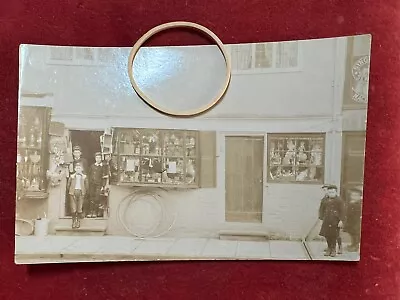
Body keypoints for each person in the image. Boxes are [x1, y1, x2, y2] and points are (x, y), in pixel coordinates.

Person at [318, 184, 345, 257]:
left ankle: (333, 249)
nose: (331, 194)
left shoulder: (339, 200)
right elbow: (321, 209)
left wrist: (341, 220)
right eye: (329, 192)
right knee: (327, 235)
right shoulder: (325, 200)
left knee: (334, 235)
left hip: (335, 221)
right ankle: (329, 248)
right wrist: (321, 217)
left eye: (333, 192)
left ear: (336, 192)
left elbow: (342, 211)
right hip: (327, 220)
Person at [67, 163, 88, 229]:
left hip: (81, 192)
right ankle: (73, 221)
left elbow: (87, 186)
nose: (78, 169)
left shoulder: (84, 177)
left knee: (79, 207)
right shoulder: (72, 176)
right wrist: (71, 190)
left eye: (79, 168)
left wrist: (84, 192)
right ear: (75, 169)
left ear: (82, 169)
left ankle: (78, 221)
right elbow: (68, 185)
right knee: (73, 207)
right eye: (77, 168)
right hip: (73, 192)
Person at [343, 187, 363, 252]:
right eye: (352, 195)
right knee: (351, 232)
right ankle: (353, 244)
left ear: (360, 196)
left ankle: (356, 246)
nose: (353, 197)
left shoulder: (360, 203)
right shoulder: (351, 202)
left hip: (356, 221)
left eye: (355, 195)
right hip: (350, 220)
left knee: (355, 233)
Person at [88, 152, 105, 217]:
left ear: (101, 158)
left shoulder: (103, 166)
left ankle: (96, 212)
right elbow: (89, 175)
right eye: (97, 158)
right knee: (91, 197)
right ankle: (91, 211)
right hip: (92, 184)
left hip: (99, 185)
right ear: (95, 158)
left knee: (97, 198)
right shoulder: (92, 166)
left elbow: (104, 177)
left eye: (99, 158)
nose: (98, 159)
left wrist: (103, 186)